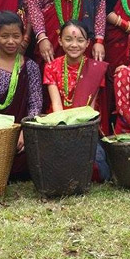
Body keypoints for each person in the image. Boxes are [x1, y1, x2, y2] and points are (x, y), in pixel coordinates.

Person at [0, 11, 43, 176]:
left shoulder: (30, 67)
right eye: (5, 36)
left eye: (16, 36)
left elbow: (35, 103)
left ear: (23, 37)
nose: (11, 41)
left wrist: (24, 132)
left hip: (22, 136)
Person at [43, 20, 110, 181]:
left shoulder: (95, 68)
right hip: (58, 127)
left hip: (85, 129)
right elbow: (57, 106)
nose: (74, 45)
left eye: (80, 40)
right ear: (59, 40)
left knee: (101, 170)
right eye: (68, 39)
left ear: (88, 43)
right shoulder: (51, 67)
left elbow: (90, 109)